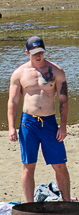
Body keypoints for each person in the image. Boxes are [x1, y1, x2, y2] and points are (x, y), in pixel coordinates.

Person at [12, 35, 71, 205]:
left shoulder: (56, 71)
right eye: (34, 53)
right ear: (27, 52)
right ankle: (30, 205)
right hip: (28, 122)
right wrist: (11, 127)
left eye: (41, 52)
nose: (38, 56)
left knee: (59, 164)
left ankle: (66, 202)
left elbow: (63, 99)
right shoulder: (19, 73)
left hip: (49, 122)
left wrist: (63, 125)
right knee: (28, 165)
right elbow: (13, 101)